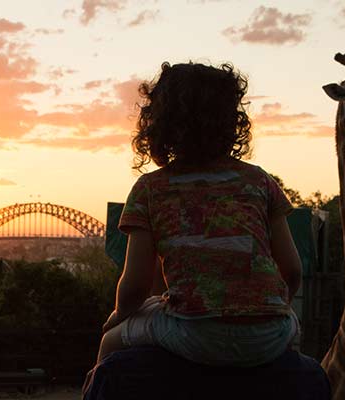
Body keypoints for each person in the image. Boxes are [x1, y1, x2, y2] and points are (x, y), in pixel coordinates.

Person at [94, 61, 303, 369]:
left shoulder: (150, 189)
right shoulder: (260, 181)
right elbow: (293, 270)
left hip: (194, 332)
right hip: (270, 334)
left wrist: (118, 316)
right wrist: (272, 309)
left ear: (159, 122)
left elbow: (136, 287)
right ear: (232, 121)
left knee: (110, 342)